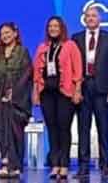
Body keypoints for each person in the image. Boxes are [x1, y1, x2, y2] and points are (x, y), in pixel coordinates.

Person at [71, 7, 108, 179]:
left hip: (102, 89)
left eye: (94, 16)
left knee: (103, 128)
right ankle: (83, 166)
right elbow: (72, 65)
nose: (91, 18)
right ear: (84, 19)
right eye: (88, 16)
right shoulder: (76, 38)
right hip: (83, 88)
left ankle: (105, 165)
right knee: (83, 129)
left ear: (99, 19)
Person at [33, 16, 83, 180]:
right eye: (50, 26)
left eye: (56, 26)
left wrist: (77, 90)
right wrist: (36, 93)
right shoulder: (42, 47)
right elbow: (36, 73)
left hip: (65, 93)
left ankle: (64, 165)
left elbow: (78, 71)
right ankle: (55, 165)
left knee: (63, 128)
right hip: (47, 93)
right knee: (51, 128)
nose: (53, 29)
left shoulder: (70, 45)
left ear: (62, 28)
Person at [0, 22, 32, 178]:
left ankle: (16, 165)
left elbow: (27, 74)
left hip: (17, 97)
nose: (5, 36)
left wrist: (15, 92)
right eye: (2, 34)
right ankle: (6, 163)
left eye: (7, 32)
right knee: (2, 130)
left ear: (15, 33)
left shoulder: (22, 52)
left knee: (15, 131)